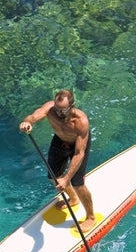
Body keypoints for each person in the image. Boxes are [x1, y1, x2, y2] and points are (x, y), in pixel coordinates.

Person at [19, 89, 97, 232]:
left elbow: (79, 153)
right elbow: (33, 117)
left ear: (71, 106)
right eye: (56, 108)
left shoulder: (80, 121)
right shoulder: (50, 109)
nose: (58, 113)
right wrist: (27, 122)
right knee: (54, 177)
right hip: (60, 141)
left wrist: (67, 178)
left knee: (77, 183)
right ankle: (73, 199)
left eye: (62, 111)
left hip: (78, 147)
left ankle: (91, 217)